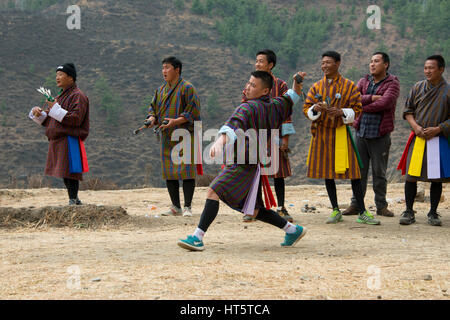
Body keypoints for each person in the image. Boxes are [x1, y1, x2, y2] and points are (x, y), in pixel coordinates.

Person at [178, 70, 306, 251]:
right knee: (253, 209)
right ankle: (292, 229)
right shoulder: (275, 106)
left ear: (265, 91)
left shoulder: (247, 107)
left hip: (243, 164)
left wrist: (219, 142)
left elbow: (233, 124)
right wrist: (298, 84)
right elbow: (292, 97)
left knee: (213, 191)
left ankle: (197, 237)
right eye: (248, 83)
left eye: (253, 85)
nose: (247, 87)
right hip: (253, 165)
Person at [303, 51, 380, 225]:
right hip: (322, 133)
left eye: (328, 62)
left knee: (353, 173)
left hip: (340, 133)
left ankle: (361, 211)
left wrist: (341, 112)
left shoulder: (349, 86)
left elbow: (357, 108)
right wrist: (315, 109)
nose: (324, 66)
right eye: (322, 63)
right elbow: (306, 108)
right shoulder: (316, 87)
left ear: (337, 64)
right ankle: (335, 209)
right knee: (327, 173)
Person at [342, 52, 400, 217]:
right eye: (371, 61)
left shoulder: (392, 83)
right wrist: (372, 98)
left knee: (379, 172)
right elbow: (351, 101)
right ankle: (356, 204)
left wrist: (362, 104)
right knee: (358, 172)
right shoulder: (363, 81)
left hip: (380, 134)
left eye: (376, 61)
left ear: (386, 64)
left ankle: (381, 206)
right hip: (361, 132)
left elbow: (385, 103)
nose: (372, 64)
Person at [241, 49, 294, 223]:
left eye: (261, 61)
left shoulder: (281, 85)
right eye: (256, 61)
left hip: (275, 134)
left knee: (278, 173)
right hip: (255, 135)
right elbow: (244, 108)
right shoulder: (250, 85)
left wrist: (285, 139)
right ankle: (255, 208)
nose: (257, 64)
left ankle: (281, 207)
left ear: (270, 65)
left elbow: (286, 112)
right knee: (255, 172)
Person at [145, 56, 201, 217]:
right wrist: (152, 119)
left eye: (167, 67)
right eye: (163, 67)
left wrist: (175, 121)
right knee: (169, 171)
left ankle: (188, 207)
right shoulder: (161, 90)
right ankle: (175, 207)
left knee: (187, 171)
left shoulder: (187, 88)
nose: (164, 71)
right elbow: (153, 109)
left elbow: (193, 111)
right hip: (167, 135)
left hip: (185, 134)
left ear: (177, 70)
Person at [397, 55, 449, 226]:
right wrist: (415, 126)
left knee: (436, 178)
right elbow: (407, 110)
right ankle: (409, 211)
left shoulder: (448, 90)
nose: (427, 71)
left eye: (431, 68)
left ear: (441, 69)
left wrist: (438, 129)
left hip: (437, 138)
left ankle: (433, 212)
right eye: (425, 68)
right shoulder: (417, 87)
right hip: (418, 136)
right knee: (411, 176)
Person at [29, 63, 89, 205]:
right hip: (58, 139)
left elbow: (76, 119)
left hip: (69, 138)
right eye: (56, 75)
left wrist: (54, 108)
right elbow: (51, 118)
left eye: (61, 75)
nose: (57, 78)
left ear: (71, 78)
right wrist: (38, 113)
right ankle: (74, 199)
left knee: (70, 171)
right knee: (64, 171)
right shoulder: (61, 96)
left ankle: (73, 199)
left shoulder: (78, 96)